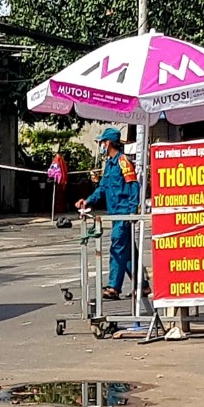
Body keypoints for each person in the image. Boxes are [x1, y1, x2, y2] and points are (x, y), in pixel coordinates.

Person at [76, 127, 147, 300]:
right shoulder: (109, 164)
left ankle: (113, 287)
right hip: (115, 213)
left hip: (124, 214)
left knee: (117, 247)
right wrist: (88, 201)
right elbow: (102, 188)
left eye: (102, 142)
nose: (101, 145)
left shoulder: (123, 162)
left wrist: (132, 211)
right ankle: (143, 286)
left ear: (107, 143)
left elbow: (133, 186)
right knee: (127, 252)